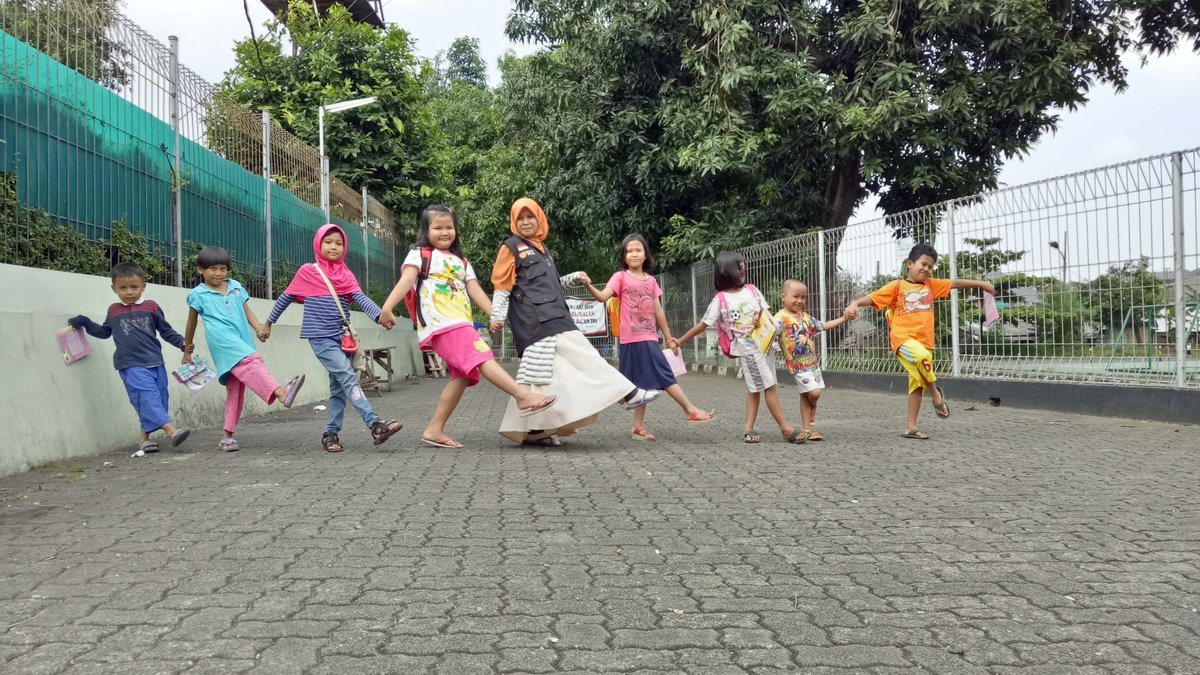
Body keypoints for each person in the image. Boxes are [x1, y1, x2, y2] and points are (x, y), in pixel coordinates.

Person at [378, 205, 556, 449]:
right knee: (481, 355)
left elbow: (474, 290)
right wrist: (387, 308)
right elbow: (406, 280)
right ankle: (522, 396)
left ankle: (434, 429)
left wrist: (496, 314)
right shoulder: (419, 254)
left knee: (462, 376)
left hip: (461, 322)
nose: (444, 232)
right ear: (426, 230)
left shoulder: (461, 261)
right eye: (437, 227)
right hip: (441, 323)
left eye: (449, 227)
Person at [489, 198, 662, 446]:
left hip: (553, 314)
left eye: (531, 217)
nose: (526, 222)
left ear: (540, 218)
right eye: (520, 218)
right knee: (584, 353)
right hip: (537, 320)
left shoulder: (542, 249)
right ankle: (629, 394)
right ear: (514, 222)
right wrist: (497, 316)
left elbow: (552, 284)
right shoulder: (512, 247)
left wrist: (573, 277)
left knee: (541, 374)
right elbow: (502, 286)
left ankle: (535, 430)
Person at [260, 224, 403, 453]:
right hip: (320, 337)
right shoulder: (308, 272)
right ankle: (374, 423)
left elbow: (360, 298)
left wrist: (379, 315)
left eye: (339, 243)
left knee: (339, 388)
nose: (334, 247)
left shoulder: (346, 274)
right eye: (328, 242)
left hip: (342, 338)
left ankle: (331, 433)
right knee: (347, 376)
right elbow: (285, 298)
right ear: (318, 244)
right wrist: (268, 323)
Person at [843, 243, 996, 440]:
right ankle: (937, 396)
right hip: (903, 340)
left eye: (930, 267)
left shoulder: (931, 286)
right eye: (923, 264)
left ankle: (910, 427)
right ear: (910, 264)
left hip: (925, 342)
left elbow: (954, 283)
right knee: (922, 358)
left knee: (916, 384)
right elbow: (873, 298)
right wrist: (855, 303)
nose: (926, 269)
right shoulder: (897, 286)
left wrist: (981, 284)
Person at [580, 233, 715, 441]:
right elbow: (601, 297)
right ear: (624, 256)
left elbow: (658, 311)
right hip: (631, 340)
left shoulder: (651, 281)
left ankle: (637, 426)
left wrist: (669, 339)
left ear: (645, 255)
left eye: (638, 250)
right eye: (629, 251)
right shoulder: (620, 277)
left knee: (642, 385)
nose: (634, 254)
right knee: (661, 374)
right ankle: (689, 409)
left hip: (650, 337)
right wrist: (588, 284)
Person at [671, 252, 807, 444]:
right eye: (739, 268)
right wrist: (680, 341)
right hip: (749, 351)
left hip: (765, 346)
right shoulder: (720, 300)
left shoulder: (752, 290)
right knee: (769, 387)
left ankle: (748, 429)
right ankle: (785, 428)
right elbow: (702, 324)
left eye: (743, 268)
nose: (743, 271)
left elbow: (766, 314)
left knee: (755, 389)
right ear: (727, 271)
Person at [182, 246, 305, 452]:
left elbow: (246, 311)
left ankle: (227, 437)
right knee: (252, 360)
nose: (218, 273)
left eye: (222, 269)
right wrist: (187, 350)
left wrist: (258, 329)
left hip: (242, 338)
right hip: (222, 341)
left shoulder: (236, 287)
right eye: (213, 269)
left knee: (236, 389)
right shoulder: (198, 294)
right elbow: (191, 322)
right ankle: (281, 393)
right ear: (200, 270)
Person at [68, 262, 190, 453]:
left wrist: (183, 343)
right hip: (130, 364)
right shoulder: (114, 310)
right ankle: (172, 431)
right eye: (123, 288)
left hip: (156, 362)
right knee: (147, 397)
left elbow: (166, 332)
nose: (129, 292)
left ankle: (143, 440)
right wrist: (84, 322)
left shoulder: (151, 307)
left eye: (134, 287)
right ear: (114, 288)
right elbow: (103, 332)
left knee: (157, 400)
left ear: (143, 286)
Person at [775, 280, 852, 441]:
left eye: (803, 297)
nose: (800, 301)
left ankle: (807, 429)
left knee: (806, 395)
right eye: (795, 296)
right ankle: (813, 408)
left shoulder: (806, 317)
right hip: (797, 366)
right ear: (783, 297)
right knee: (814, 393)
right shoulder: (779, 318)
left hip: (812, 364)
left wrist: (843, 319)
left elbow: (823, 326)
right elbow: (768, 333)